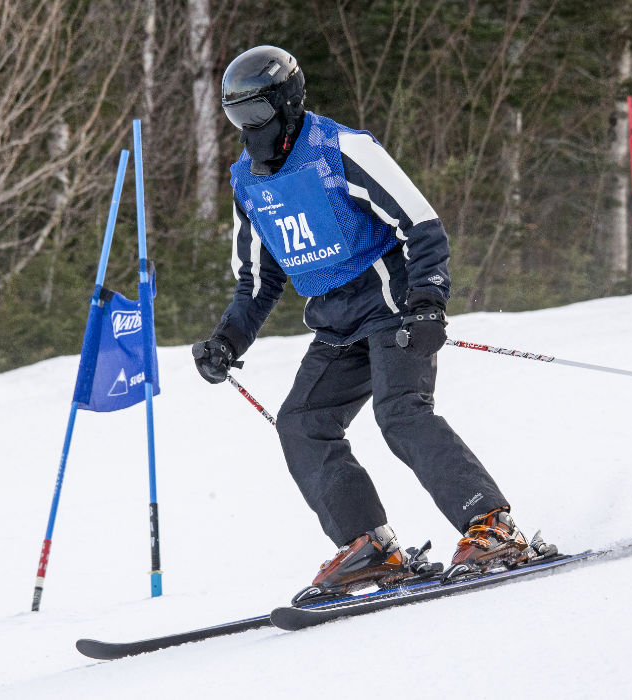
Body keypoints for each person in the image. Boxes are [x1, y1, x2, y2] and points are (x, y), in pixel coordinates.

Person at [193, 45, 552, 596]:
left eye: (257, 113)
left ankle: (492, 527)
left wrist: (430, 302)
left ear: (286, 104)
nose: (248, 128)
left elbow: (423, 227)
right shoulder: (248, 181)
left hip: (394, 308)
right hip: (335, 326)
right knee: (301, 423)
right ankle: (371, 547)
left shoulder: (341, 150)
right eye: (236, 116)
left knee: (400, 413)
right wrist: (226, 340)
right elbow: (258, 280)